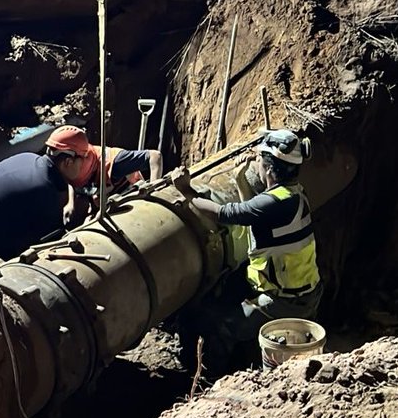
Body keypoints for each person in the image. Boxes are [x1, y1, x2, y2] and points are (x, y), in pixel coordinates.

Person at [176, 129, 323, 349]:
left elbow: (224, 214)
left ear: (269, 169)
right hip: (302, 292)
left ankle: (212, 370)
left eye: (259, 160)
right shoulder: (293, 194)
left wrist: (185, 190)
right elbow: (253, 216)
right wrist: (240, 179)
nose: (257, 165)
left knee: (222, 328)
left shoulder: (274, 202)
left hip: (284, 302)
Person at [0, 129, 92, 262]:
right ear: (68, 162)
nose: (85, 163)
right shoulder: (45, 193)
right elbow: (47, 244)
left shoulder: (27, 157)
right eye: (84, 158)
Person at [45, 125, 164, 225]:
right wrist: (71, 203)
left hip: (131, 203)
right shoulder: (74, 168)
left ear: (69, 162)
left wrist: (152, 193)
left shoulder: (114, 162)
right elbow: (71, 180)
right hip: (102, 203)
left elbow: (155, 156)